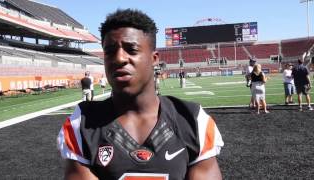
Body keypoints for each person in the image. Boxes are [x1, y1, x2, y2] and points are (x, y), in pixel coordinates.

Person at [57, 9, 224, 180]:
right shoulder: (83, 123)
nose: (119, 58)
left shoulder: (192, 120)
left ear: (154, 59)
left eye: (131, 49)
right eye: (110, 51)